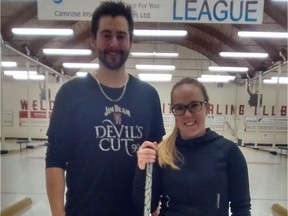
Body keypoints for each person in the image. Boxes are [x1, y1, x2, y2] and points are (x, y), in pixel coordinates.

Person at [45, 2, 165, 216]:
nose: (113, 43)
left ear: (131, 41)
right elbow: (55, 159)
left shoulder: (148, 96)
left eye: (121, 36)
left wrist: (155, 203)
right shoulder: (70, 94)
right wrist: (57, 213)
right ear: (93, 39)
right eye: (106, 35)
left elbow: (158, 157)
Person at [133, 77, 251, 216]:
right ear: (173, 112)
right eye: (179, 108)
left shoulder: (229, 152)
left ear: (207, 107)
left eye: (194, 105)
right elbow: (144, 206)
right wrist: (141, 169)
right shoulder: (163, 153)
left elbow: (241, 208)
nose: (187, 114)